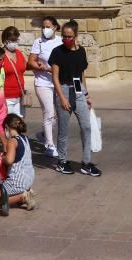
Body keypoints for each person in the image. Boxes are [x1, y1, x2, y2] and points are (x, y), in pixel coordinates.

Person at [50, 21, 101, 177]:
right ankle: (62, 161)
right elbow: (55, 77)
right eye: (64, 36)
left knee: (86, 127)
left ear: (76, 36)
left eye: (69, 36)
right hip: (63, 89)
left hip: (78, 89)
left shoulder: (81, 52)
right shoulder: (57, 52)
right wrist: (62, 98)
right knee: (64, 130)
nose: (66, 39)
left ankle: (86, 163)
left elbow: (80, 75)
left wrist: (86, 95)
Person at [27, 16, 62, 158]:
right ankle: (49, 145)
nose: (44, 29)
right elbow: (31, 62)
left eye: (47, 26)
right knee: (49, 113)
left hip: (58, 83)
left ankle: (43, 134)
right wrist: (43, 68)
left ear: (55, 27)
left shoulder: (60, 41)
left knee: (58, 115)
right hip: (43, 82)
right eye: (43, 26)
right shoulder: (38, 42)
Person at [0, 114, 36, 213]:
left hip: (18, 180)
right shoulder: (25, 138)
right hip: (29, 178)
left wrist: (1, 157)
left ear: (7, 127)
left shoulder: (12, 141)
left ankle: (23, 197)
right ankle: (25, 192)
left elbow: (9, 160)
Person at [0, 26, 27, 119]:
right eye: (12, 40)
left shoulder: (19, 53)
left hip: (20, 96)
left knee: (19, 125)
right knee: (9, 127)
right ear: (5, 40)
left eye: (16, 40)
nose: (14, 42)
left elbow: (23, 68)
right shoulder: (0, 55)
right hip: (7, 97)